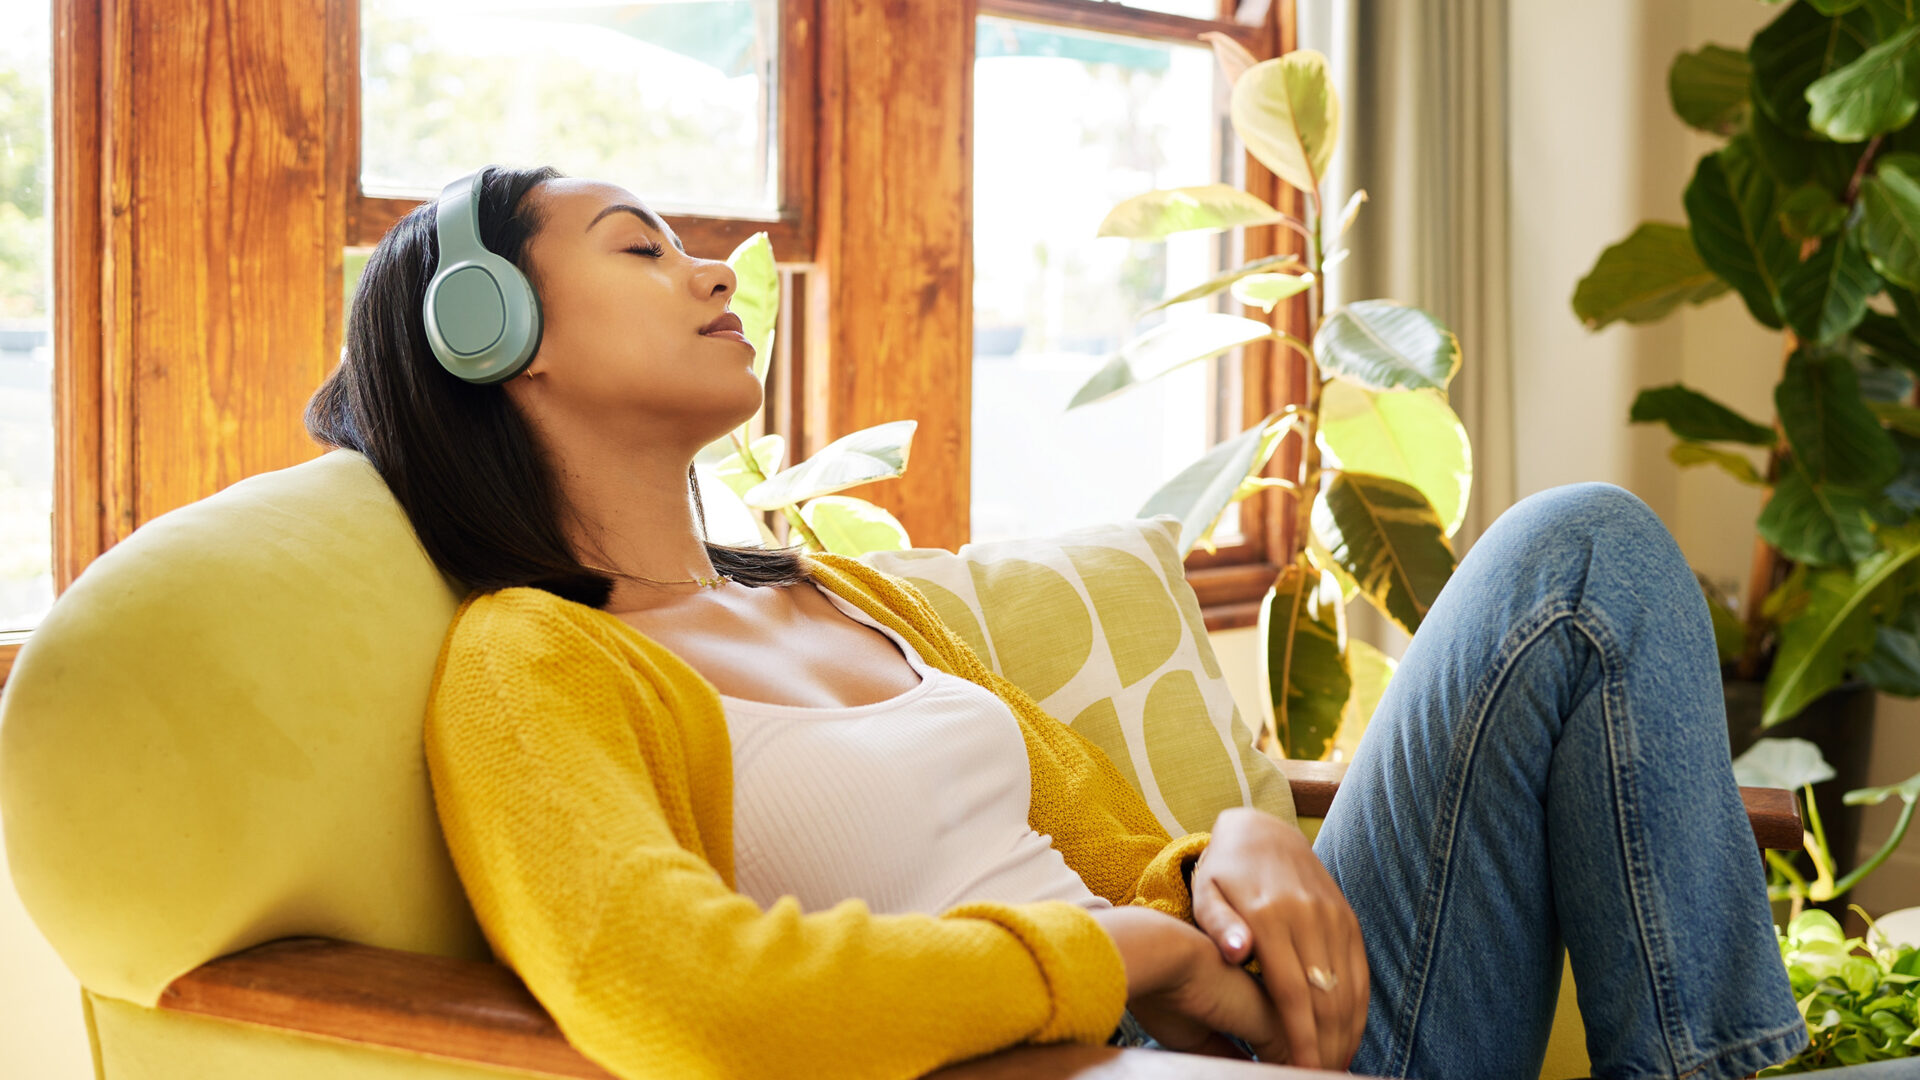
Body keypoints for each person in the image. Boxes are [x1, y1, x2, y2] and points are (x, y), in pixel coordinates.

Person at [304, 165, 1808, 1079]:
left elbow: (1095, 836)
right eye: (638, 248)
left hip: (1255, 1027)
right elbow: (689, 1003)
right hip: (1082, 1066)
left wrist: (1230, 848)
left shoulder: (835, 588)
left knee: (1579, 551)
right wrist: (1134, 957)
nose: (710, 268)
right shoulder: (532, 665)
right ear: (490, 336)